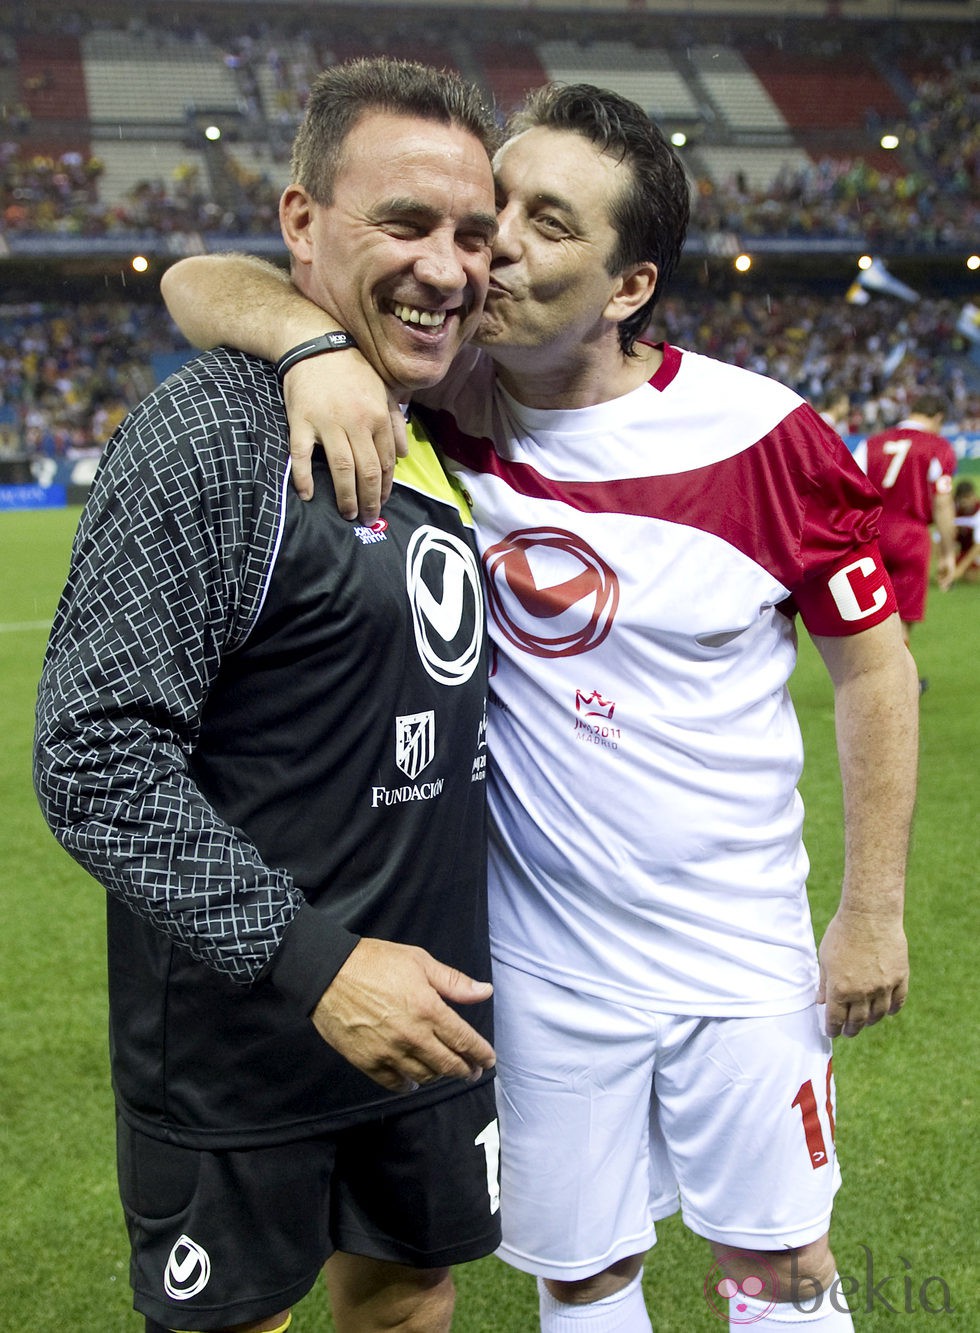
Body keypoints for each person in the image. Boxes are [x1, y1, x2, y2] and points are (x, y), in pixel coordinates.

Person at [161, 83, 920, 1333]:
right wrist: (304, 345)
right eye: (493, 202)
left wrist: (871, 911)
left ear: (628, 286)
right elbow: (198, 280)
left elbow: (875, 667)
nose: (494, 241)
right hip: (534, 963)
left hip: (738, 948)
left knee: (778, 1265)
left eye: (546, 222)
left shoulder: (764, 438)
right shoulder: (436, 398)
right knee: (576, 1277)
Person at [33, 57, 505, 1333]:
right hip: (247, 1040)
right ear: (301, 223)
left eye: (472, 234)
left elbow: (204, 279)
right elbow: (93, 760)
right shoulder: (211, 437)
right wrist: (317, 963)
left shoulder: (457, 425)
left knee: (411, 1297)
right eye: (403, 224)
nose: (447, 267)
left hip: (431, 1023)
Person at [852, 395, 958, 648]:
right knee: (901, 623)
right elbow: (942, 503)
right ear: (938, 418)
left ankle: (870, 679)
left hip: (870, 535)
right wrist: (948, 554)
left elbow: (849, 491)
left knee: (869, 620)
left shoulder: (871, 444)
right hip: (911, 536)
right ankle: (897, 684)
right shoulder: (937, 446)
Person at [940, 476, 980, 587]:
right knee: (945, 572)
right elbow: (940, 537)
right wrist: (943, 559)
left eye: (968, 497)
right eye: (962, 498)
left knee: (970, 577)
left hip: (975, 551)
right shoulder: (952, 511)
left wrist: (959, 570)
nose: (964, 501)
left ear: (974, 496)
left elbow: (978, 546)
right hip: (963, 549)